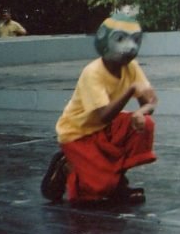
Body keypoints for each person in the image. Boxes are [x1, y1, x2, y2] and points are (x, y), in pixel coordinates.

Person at [40, 12, 157, 206]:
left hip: (104, 128)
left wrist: (140, 112)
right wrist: (130, 91)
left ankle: (118, 181)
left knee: (146, 124)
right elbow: (103, 116)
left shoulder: (132, 67)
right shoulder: (92, 72)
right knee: (97, 190)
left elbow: (151, 101)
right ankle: (66, 166)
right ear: (104, 40)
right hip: (78, 133)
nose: (131, 47)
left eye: (136, 40)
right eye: (120, 39)